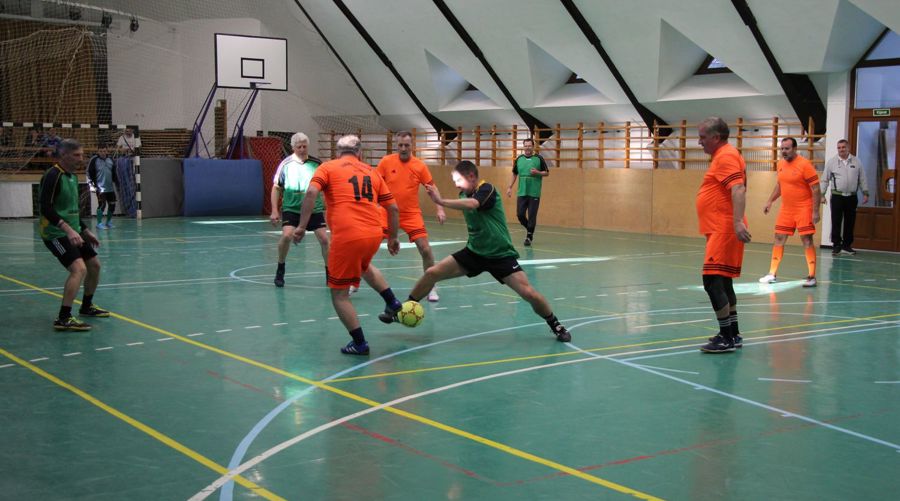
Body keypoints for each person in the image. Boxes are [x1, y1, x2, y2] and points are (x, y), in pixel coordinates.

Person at [380, 160, 572, 343]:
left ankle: (556, 325)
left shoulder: (487, 190)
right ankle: (399, 310)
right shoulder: (463, 195)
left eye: (458, 180)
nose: (456, 185)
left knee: (529, 293)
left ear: (471, 176)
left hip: (500, 255)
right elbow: (467, 203)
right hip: (474, 253)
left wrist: (441, 202)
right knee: (431, 273)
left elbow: (474, 204)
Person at [293, 135, 403, 355]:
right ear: (359, 153)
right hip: (373, 234)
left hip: (347, 236)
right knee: (363, 266)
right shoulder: (372, 172)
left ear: (338, 152)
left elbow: (312, 192)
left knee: (339, 295)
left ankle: (360, 344)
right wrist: (392, 237)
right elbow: (393, 208)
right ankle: (392, 301)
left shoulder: (328, 168)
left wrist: (302, 226)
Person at [38, 139, 108, 331]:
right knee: (79, 269)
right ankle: (63, 318)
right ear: (64, 155)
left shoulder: (73, 177)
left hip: (74, 232)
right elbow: (46, 208)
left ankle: (86, 307)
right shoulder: (53, 175)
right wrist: (68, 230)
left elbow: (71, 210)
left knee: (94, 265)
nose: (81, 158)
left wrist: (84, 231)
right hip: (54, 233)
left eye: (82, 154)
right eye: (76, 155)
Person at [695, 117, 751, 353]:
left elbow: (738, 188)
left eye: (703, 137)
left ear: (716, 137)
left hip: (724, 228)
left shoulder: (726, 156)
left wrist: (737, 222)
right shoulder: (726, 154)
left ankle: (726, 337)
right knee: (724, 281)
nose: (699, 142)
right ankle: (733, 334)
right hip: (721, 227)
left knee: (712, 281)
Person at [375, 131, 446, 302]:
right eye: (400, 145)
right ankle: (353, 281)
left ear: (412, 146)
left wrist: (440, 208)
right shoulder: (386, 162)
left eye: (406, 145)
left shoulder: (419, 166)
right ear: (396, 145)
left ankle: (431, 286)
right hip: (386, 213)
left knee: (426, 249)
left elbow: (432, 188)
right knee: (367, 246)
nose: (403, 148)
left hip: (411, 214)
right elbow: (375, 184)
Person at [759, 138, 821, 287]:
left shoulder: (805, 165)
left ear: (795, 149)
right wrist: (770, 201)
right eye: (782, 149)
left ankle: (811, 276)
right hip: (787, 209)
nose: (784, 151)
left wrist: (815, 211)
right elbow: (780, 185)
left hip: (804, 208)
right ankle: (772, 274)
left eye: (787, 148)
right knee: (779, 238)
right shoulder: (780, 164)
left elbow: (816, 189)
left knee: (806, 240)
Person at [270, 132, 328, 287]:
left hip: (314, 209)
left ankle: (330, 273)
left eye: (304, 146)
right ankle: (280, 268)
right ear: (293, 148)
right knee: (287, 235)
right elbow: (276, 188)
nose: (302, 149)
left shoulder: (317, 164)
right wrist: (274, 210)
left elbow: (327, 186)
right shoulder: (285, 164)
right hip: (292, 208)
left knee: (324, 239)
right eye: (299, 147)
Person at [821, 139, 869, 256]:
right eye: (839, 147)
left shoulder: (857, 161)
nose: (841, 149)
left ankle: (847, 245)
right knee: (836, 221)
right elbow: (825, 179)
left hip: (851, 197)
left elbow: (862, 178)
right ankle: (836, 245)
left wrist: (865, 192)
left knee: (850, 221)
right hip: (837, 197)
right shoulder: (832, 162)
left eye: (843, 147)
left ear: (848, 148)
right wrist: (822, 194)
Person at [506, 138, 549, 246]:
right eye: (526, 146)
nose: (527, 148)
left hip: (534, 192)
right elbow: (514, 173)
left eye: (529, 146)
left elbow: (547, 173)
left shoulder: (539, 158)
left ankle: (529, 236)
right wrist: (510, 187)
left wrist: (538, 172)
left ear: (533, 146)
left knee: (532, 215)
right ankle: (530, 229)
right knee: (520, 215)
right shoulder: (519, 159)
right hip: (522, 192)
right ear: (523, 146)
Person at [87, 144, 119, 229]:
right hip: (100, 188)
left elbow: (114, 173)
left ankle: (108, 222)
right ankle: (99, 223)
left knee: (112, 204)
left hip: (110, 187)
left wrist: (117, 183)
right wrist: (92, 185)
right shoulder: (94, 160)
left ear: (107, 151)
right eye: (100, 151)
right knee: (102, 205)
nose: (102, 153)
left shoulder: (110, 160)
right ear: (98, 151)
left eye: (104, 151)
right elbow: (89, 173)